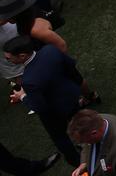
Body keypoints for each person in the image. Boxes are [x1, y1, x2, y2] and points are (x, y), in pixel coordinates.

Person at [3, 36, 97, 166]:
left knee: (60, 138)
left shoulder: (28, 80)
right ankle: (93, 144)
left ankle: (76, 161)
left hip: (55, 111)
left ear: (22, 56)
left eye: (8, 58)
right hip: (72, 97)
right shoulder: (50, 50)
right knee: (81, 122)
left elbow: (40, 107)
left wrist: (22, 96)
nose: (7, 60)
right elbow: (70, 67)